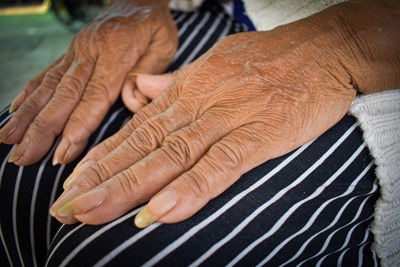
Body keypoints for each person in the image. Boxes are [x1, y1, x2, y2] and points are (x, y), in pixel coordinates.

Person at [0, 0, 399, 266]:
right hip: (218, 9)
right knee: (14, 179)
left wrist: (345, 45)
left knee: (118, 255)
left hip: (367, 61)